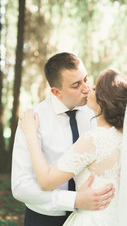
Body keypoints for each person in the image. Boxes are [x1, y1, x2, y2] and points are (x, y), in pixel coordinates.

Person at [19, 68, 127, 226]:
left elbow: (46, 181)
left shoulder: (94, 139)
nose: (87, 88)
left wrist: (31, 135)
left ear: (102, 102)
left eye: (94, 88)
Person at [11, 52, 114, 226]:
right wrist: (73, 200)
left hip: (93, 217)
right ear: (56, 92)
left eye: (86, 79)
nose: (86, 88)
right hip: (44, 219)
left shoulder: (96, 111)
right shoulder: (33, 119)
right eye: (76, 85)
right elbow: (20, 186)